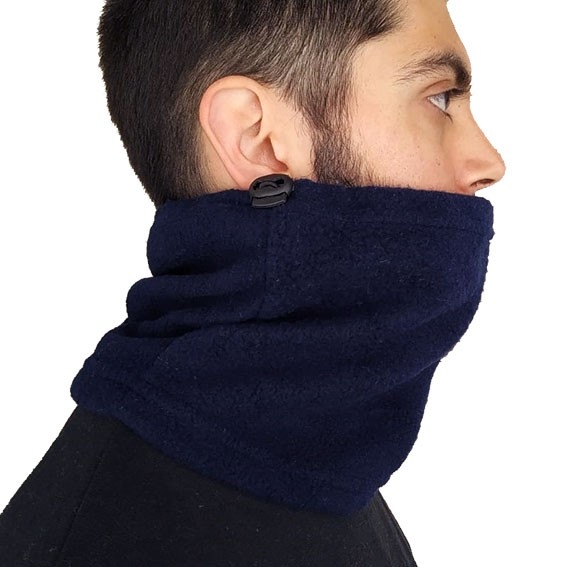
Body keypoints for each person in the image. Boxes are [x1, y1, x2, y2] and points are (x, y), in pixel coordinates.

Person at [0, 0, 505, 565]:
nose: (489, 161)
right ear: (258, 139)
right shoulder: (102, 539)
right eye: (439, 98)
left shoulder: (308, 463)